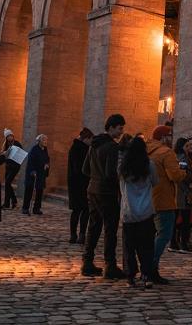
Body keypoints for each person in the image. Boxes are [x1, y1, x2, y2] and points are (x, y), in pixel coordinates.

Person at [81, 114, 127, 279]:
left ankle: (87, 262)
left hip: (92, 189)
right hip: (106, 193)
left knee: (93, 226)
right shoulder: (112, 147)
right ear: (112, 127)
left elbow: (85, 169)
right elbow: (110, 174)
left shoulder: (94, 145)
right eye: (120, 128)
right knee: (110, 229)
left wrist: (95, 176)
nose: (122, 131)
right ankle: (110, 265)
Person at [147, 125, 186, 284]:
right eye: (170, 136)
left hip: (148, 199)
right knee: (164, 235)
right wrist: (183, 171)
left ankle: (147, 266)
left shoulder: (147, 150)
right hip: (164, 199)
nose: (171, 139)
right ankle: (151, 267)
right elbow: (174, 175)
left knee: (151, 236)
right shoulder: (166, 152)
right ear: (163, 137)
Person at [118, 135, 159, 289]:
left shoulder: (123, 167)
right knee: (146, 246)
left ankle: (130, 276)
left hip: (128, 211)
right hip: (146, 211)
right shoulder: (149, 165)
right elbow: (156, 182)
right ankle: (146, 275)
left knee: (129, 246)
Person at [67, 127, 93, 243]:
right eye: (90, 140)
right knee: (83, 210)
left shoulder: (75, 148)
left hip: (74, 184)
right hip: (81, 183)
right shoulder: (81, 149)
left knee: (78, 210)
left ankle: (75, 235)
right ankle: (79, 234)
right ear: (85, 139)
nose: (91, 142)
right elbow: (80, 168)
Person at [169, 137, 192, 253]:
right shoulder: (183, 158)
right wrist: (189, 181)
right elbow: (182, 175)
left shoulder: (174, 156)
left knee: (175, 219)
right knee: (185, 219)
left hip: (175, 192)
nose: (189, 148)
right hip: (182, 192)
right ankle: (183, 243)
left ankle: (173, 242)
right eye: (187, 146)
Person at [22, 134, 50, 215]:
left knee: (40, 191)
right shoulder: (34, 149)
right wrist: (33, 171)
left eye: (46, 140)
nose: (45, 141)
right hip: (33, 174)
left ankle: (36, 208)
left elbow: (47, 159)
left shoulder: (45, 149)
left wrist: (47, 164)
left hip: (41, 174)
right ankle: (25, 208)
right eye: (43, 140)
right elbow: (31, 161)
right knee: (29, 191)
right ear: (39, 141)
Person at [1, 129, 23, 209]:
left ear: (13, 136)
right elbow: (4, 156)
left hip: (15, 166)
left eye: (10, 135)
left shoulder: (17, 143)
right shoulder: (5, 145)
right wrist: (4, 154)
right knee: (7, 185)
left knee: (7, 183)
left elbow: (21, 153)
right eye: (8, 136)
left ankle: (14, 201)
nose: (9, 137)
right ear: (6, 138)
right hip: (8, 166)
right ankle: (7, 204)